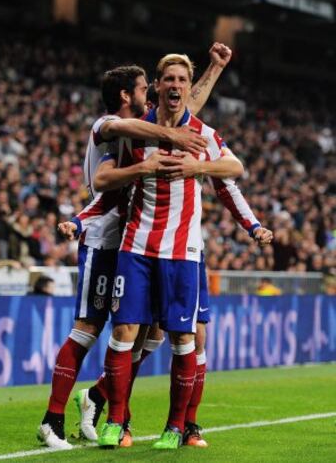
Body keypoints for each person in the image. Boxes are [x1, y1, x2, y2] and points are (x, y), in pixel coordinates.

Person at [38, 43, 230, 450]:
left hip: (152, 244)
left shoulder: (148, 122)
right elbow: (108, 183)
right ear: (129, 95)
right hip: (107, 239)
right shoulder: (110, 124)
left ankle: (99, 399)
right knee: (92, 329)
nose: (155, 92)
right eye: (148, 86)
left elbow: (184, 106)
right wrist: (168, 139)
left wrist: (213, 70)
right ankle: (53, 419)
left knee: (155, 335)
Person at [95, 53, 247, 450]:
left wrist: (200, 169)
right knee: (123, 332)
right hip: (137, 246)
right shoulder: (137, 131)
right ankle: (115, 423)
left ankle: (176, 427)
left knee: (182, 338)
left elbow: (236, 169)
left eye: (182, 79)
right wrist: (139, 170)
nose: (175, 85)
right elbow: (103, 176)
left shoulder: (203, 134)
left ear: (187, 85)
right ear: (158, 86)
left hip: (181, 251)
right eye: (168, 79)